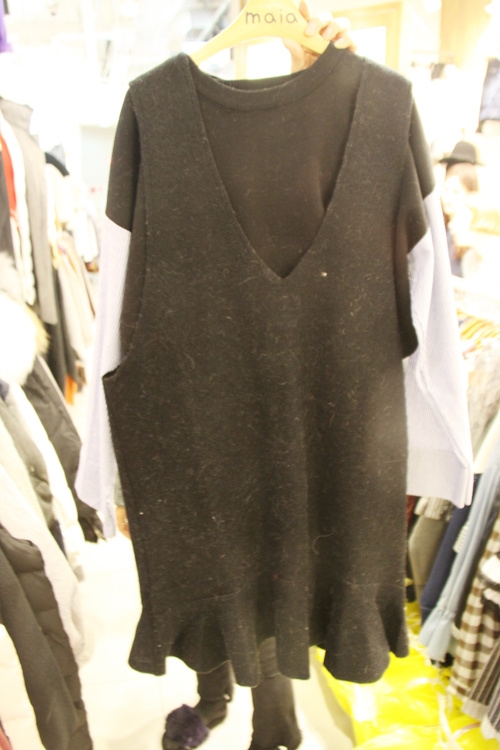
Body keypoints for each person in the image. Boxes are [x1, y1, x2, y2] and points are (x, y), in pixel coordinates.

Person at [112, 7, 357, 750]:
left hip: (274, 404)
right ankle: (214, 695)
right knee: (203, 561)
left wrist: (330, 86)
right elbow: (124, 303)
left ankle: (274, 726)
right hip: (185, 399)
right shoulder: (162, 118)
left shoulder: (327, 127)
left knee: (262, 576)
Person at [439, 141, 481, 278]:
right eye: (446, 189)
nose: (448, 197)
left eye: (456, 191)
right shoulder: (437, 224)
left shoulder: (473, 237)